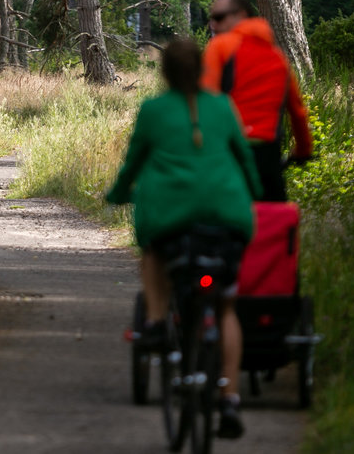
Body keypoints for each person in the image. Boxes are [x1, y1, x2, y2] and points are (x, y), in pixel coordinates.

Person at [106, 38, 262, 439]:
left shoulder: (153, 110)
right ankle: (229, 397)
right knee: (226, 306)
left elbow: (133, 163)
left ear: (164, 74)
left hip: (171, 219)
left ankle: (157, 321)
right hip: (227, 217)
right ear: (202, 69)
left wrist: (117, 194)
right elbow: (245, 159)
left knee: (153, 254)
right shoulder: (223, 107)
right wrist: (256, 195)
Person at [203, 0, 313, 201]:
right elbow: (298, 113)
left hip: (230, 153)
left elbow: (206, 101)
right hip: (268, 154)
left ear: (240, 15)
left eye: (218, 18)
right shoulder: (278, 57)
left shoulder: (220, 47)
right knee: (274, 222)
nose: (213, 25)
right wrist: (304, 149)